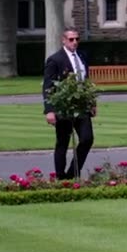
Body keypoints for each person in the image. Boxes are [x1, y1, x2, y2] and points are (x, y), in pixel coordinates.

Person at [42, 28, 96, 179]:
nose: (75, 42)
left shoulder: (83, 56)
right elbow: (48, 86)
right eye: (71, 39)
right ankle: (60, 176)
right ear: (64, 40)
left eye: (77, 39)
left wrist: (91, 102)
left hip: (82, 106)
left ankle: (72, 173)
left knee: (87, 139)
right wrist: (49, 110)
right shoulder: (55, 60)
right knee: (63, 142)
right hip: (63, 107)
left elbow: (85, 81)